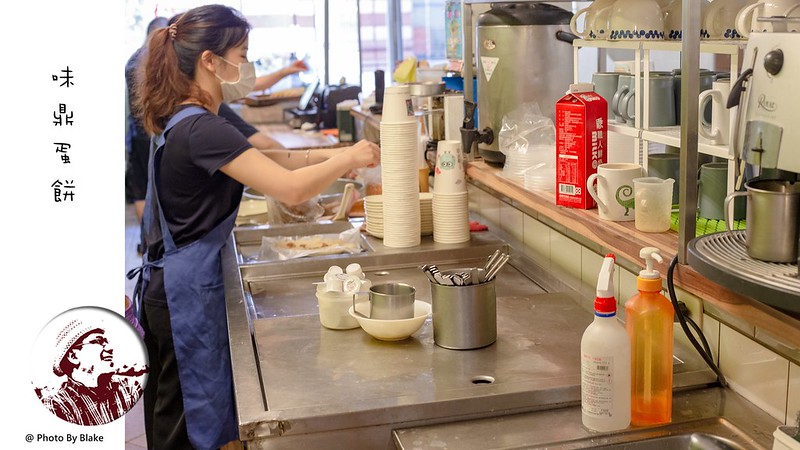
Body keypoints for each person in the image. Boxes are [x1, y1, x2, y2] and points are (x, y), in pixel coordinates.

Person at [129, 5, 379, 450]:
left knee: (175, 407)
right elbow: (289, 189)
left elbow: (268, 162)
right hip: (182, 293)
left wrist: (331, 154)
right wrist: (346, 160)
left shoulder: (190, 118)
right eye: (242, 54)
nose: (246, 66)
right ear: (210, 60)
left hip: (169, 283)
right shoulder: (203, 127)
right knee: (182, 423)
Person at [38, 320, 144, 426]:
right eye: (98, 341)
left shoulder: (127, 388)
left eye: (106, 342)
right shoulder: (57, 404)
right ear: (73, 356)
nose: (110, 348)